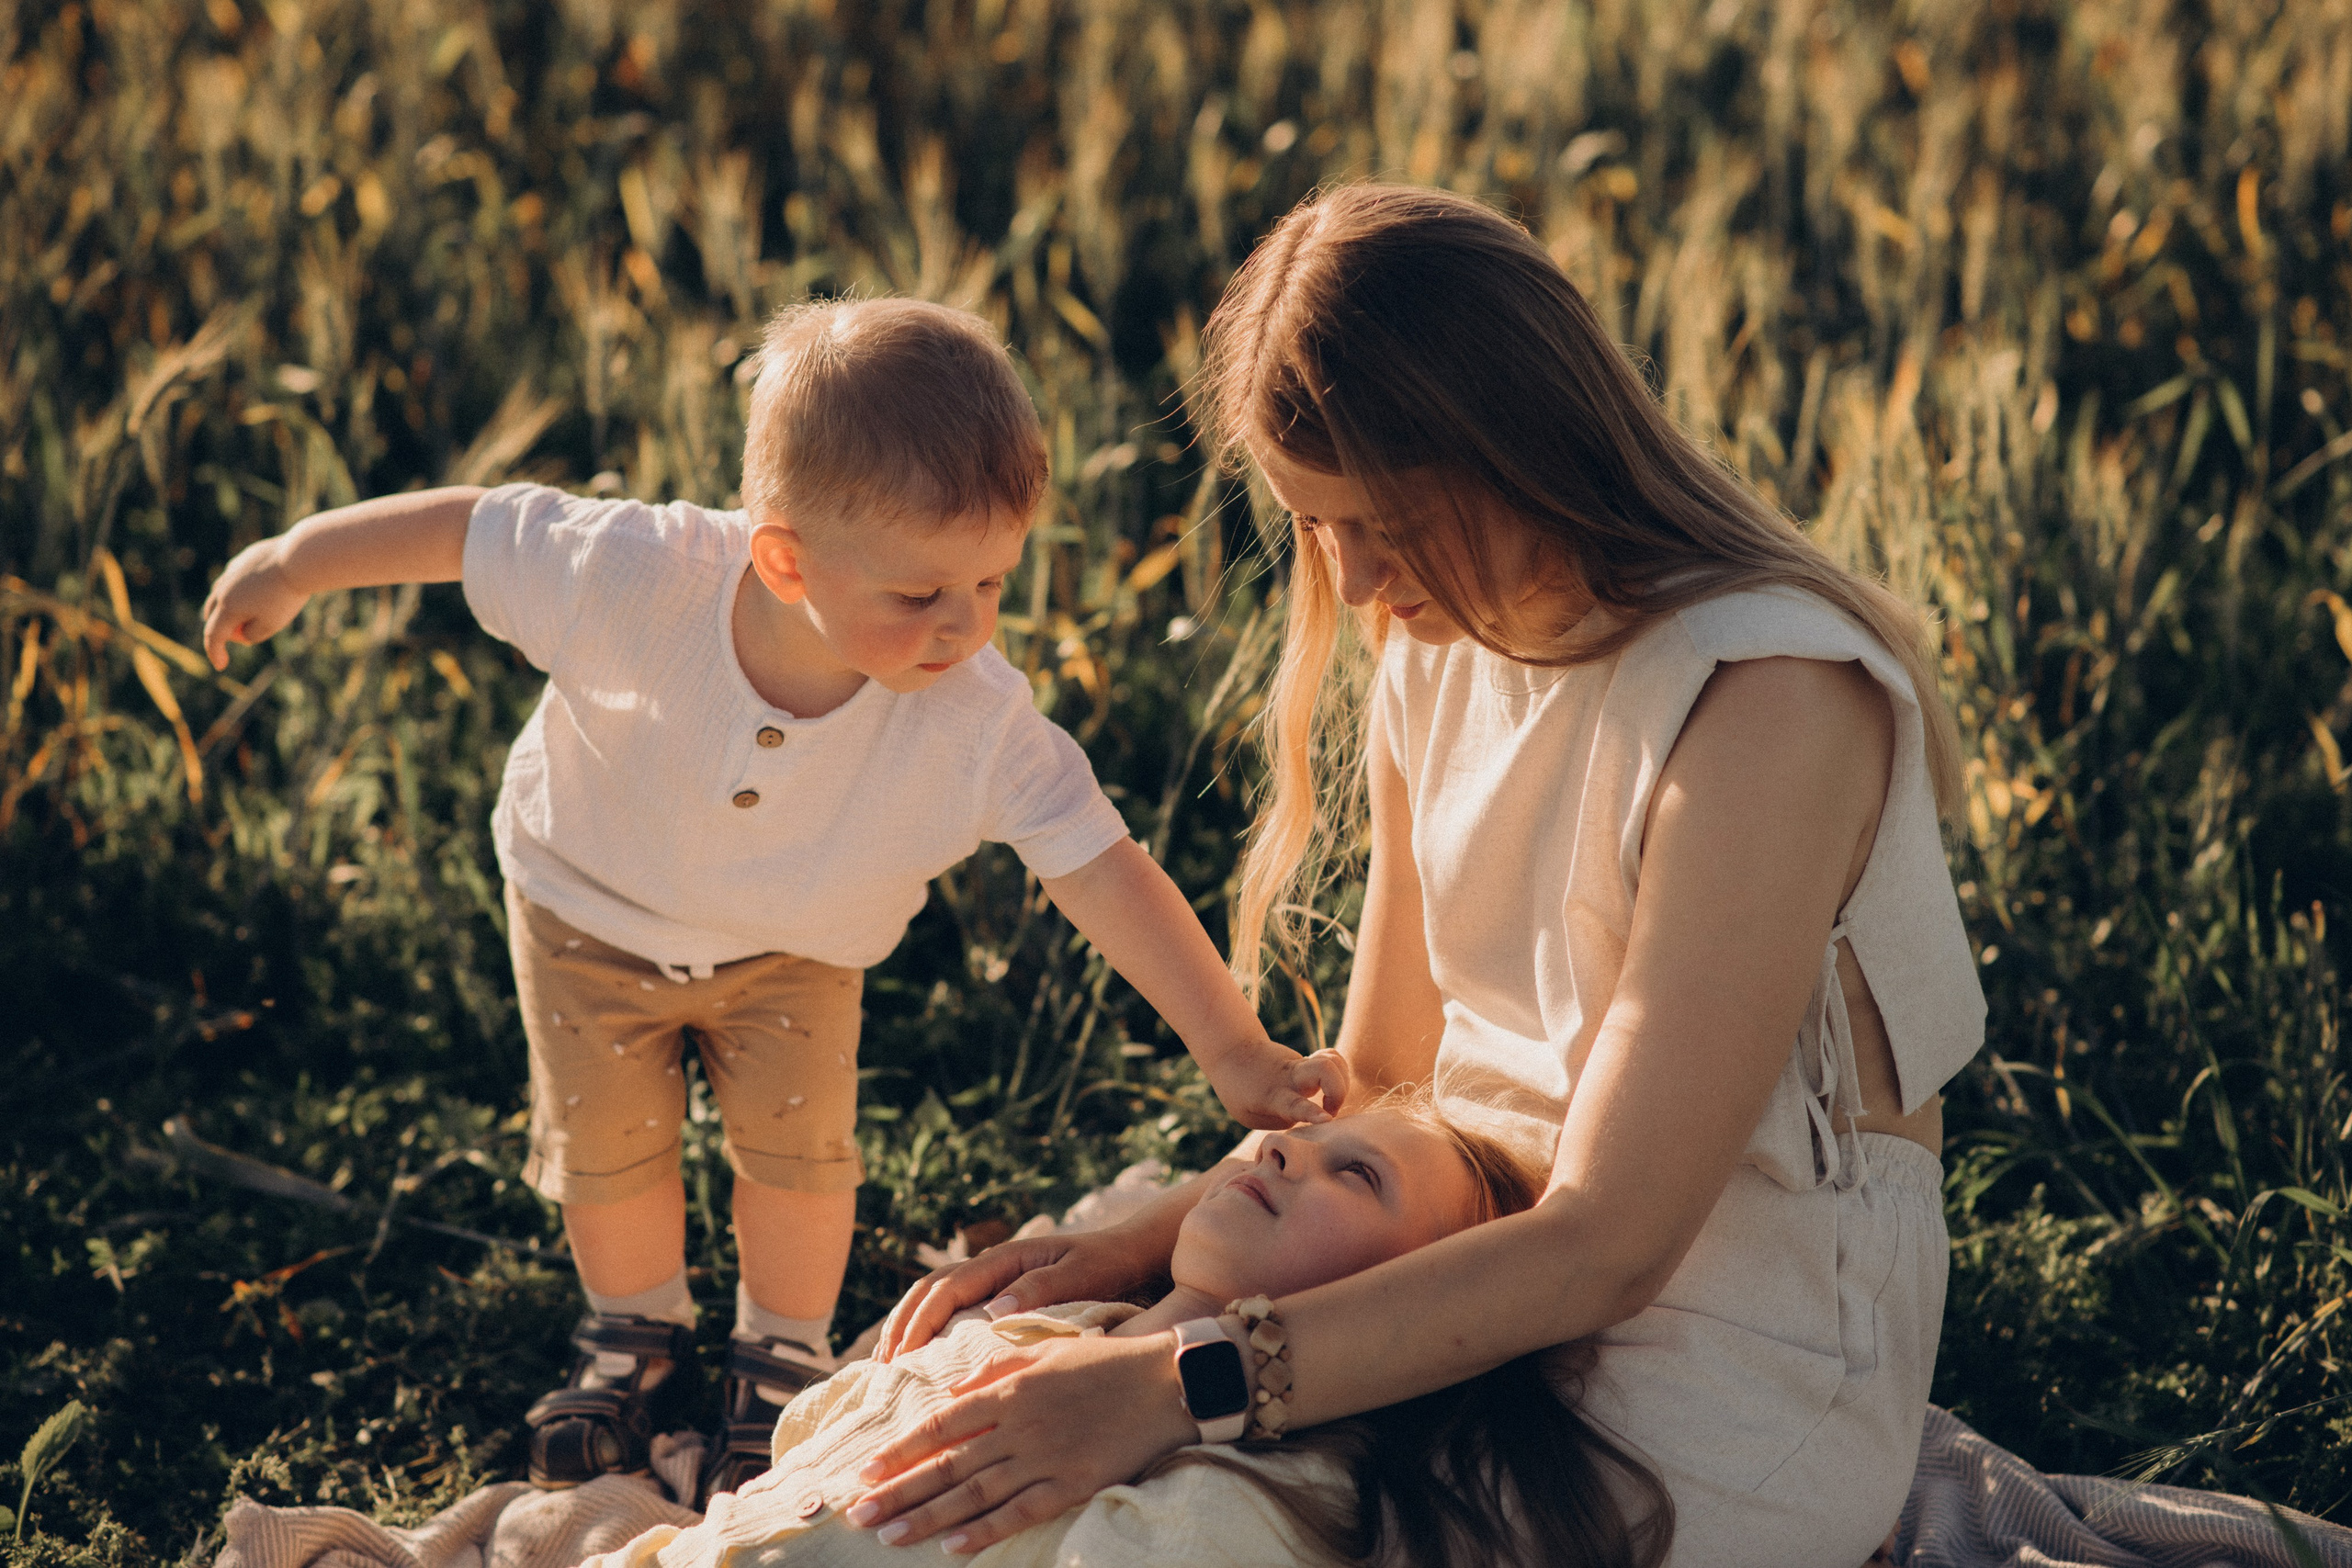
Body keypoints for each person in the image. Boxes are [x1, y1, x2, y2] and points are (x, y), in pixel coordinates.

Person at [844, 184, 1986, 1566]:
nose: (1360, 578)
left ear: (1526, 443)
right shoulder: (1438, 637)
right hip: (1450, 1272)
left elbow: (1612, 1241)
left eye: (1391, 519)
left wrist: (1173, 1379)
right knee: (971, 1453)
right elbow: (1389, 1070)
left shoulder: (1769, 697)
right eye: (1316, 525)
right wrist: (1135, 1248)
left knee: (1151, 1535)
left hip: (1715, 1360)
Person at [198, 297, 1347, 1501]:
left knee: (799, 1158)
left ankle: (781, 1351)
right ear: (785, 556)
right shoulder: (632, 575)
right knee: (612, 1143)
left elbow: (1101, 862)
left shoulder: (973, 717)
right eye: (920, 595)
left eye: (993, 582)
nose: (963, 625)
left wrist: (1232, 1043)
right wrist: (295, 562)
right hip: (586, 909)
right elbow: (472, 528)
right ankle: (632, 1329)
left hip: (799, 948)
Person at [577, 1091, 1671, 1568]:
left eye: (1359, 1174)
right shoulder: (1044, 1326)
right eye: (1306, 1136)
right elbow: (804, 1452)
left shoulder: (1256, 1500)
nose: (1283, 1150)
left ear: (1410, 1299)